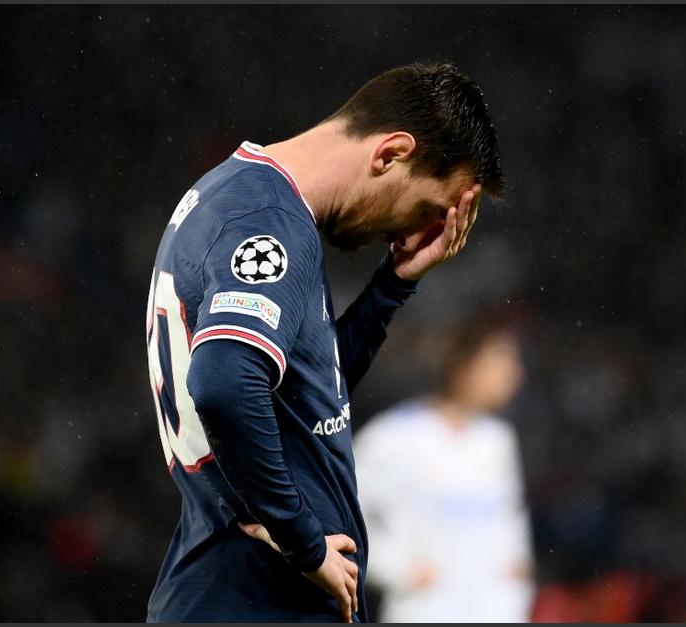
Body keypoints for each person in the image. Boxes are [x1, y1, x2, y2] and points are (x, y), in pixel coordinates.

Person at [142, 62, 504, 623]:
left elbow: (306, 401)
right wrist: (303, 541)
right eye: (427, 209)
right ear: (390, 154)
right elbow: (225, 383)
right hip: (259, 598)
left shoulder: (239, 196)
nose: (410, 231)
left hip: (229, 582)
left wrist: (392, 285)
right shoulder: (270, 222)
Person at [353, 319, 535, 622]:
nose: (515, 375)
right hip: (423, 612)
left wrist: (516, 570)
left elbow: (511, 517)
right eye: (500, 363)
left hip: (497, 612)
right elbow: (341, 510)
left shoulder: (496, 440)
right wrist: (395, 570)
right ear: (463, 367)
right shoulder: (393, 436)